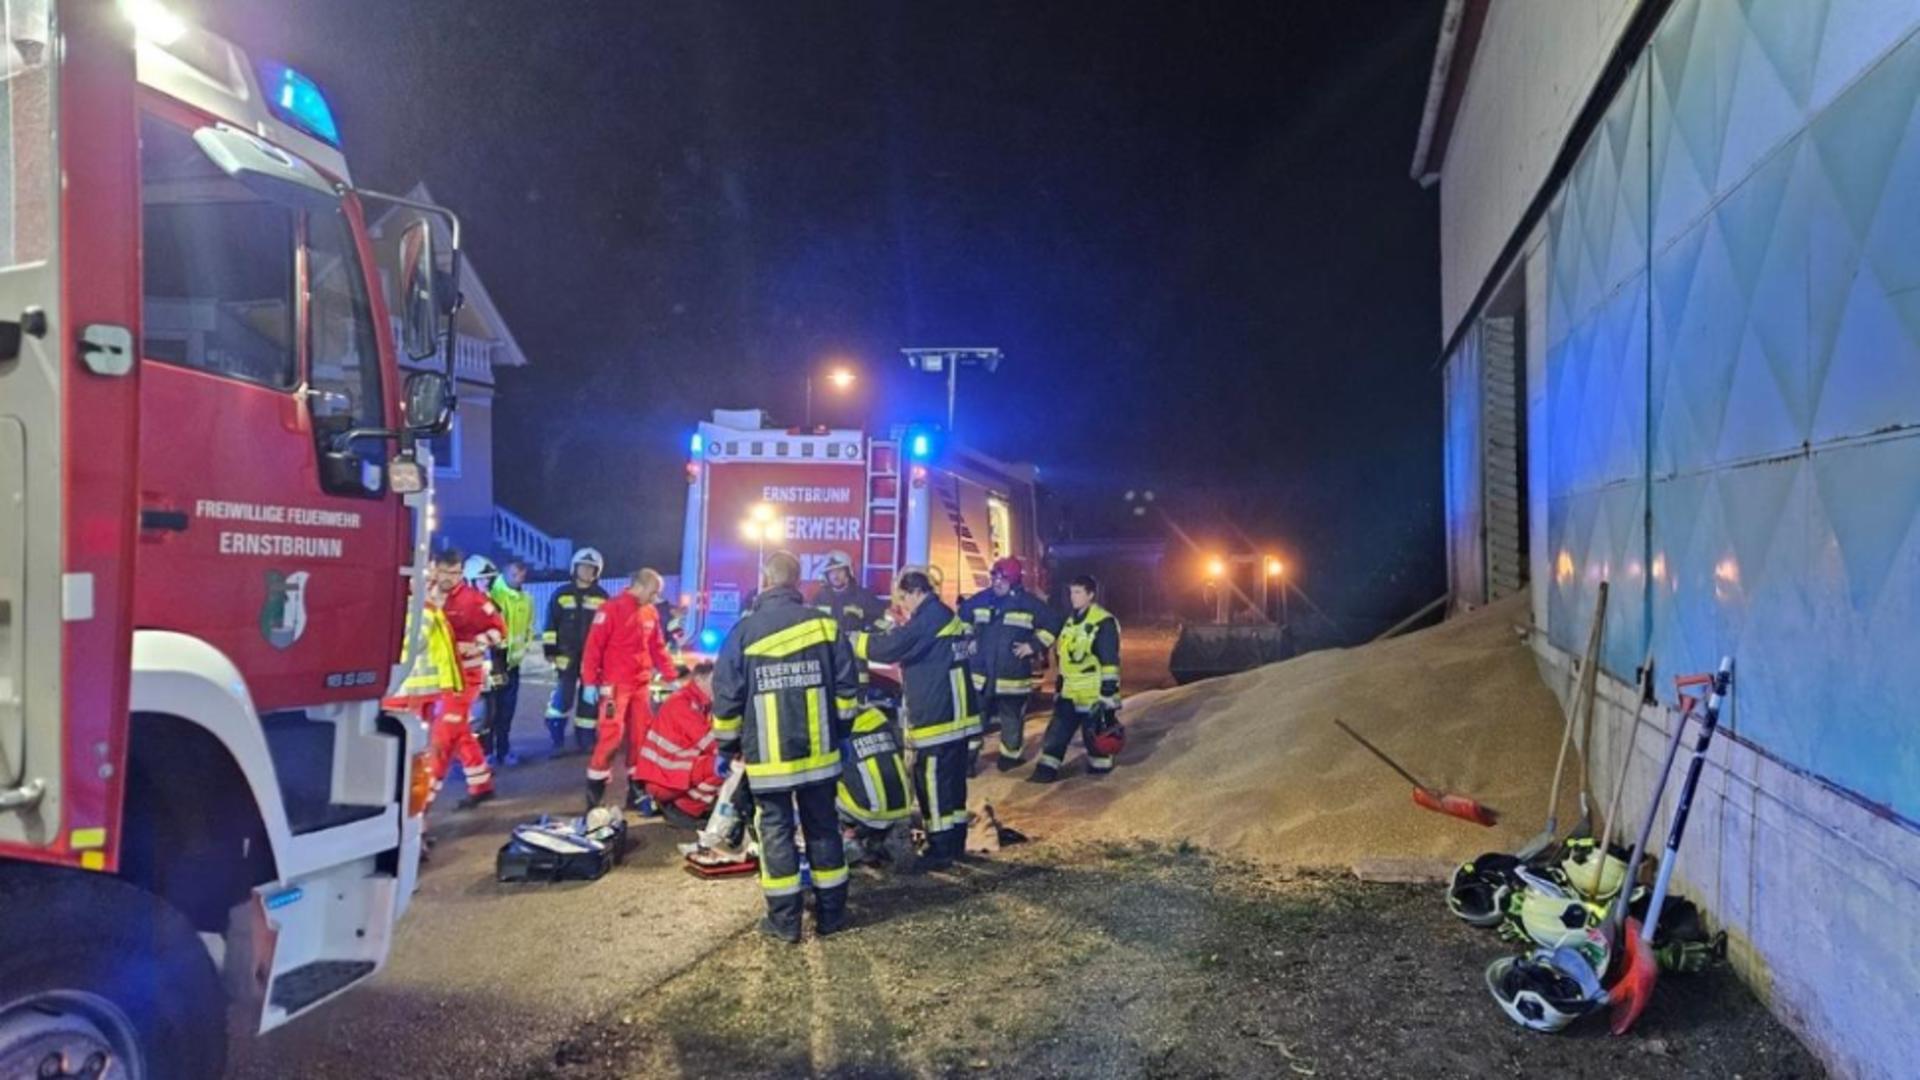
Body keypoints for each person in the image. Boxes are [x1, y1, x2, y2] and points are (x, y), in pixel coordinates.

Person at [711, 550, 859, 943]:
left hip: (768, 757)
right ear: (797, 582)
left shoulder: (744, 632)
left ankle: (785, 922)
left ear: (766, 579)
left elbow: (726, 694)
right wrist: (843, 733)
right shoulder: (825, 626)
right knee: (823, 827)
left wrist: (725, 747)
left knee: (775, 832)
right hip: (820, 753)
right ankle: (832, 916)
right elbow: (847, 687)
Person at [852, 570, 979, 871]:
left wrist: (856, 641)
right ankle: (954, 842)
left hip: (938, 717)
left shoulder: (929, 618)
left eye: (903, 599)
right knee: (953, 784)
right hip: (958, 716)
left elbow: (892, 647)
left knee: (932, 782)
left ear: (914, 592)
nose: (903, 605)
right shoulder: (944, 615)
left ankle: (940, 849)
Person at [579, 567, 677, 812]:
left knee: (641, 738)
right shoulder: (611, 609)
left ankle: (637, 791)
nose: (655, 598)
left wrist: (671, 676)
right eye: (653, 592)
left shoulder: (649, 612)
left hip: (640, 685)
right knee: (610, 738)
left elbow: (657, 647)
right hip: (614, 687)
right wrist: (590, 682)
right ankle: (595, 793)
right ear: (640, 586)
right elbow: (593, 648)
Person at [957, 557, 1062, 772]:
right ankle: (968, 761)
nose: (996, 582)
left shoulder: (1028, 603)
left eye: (1002, 579)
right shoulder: (981, 599)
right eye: (994, 577)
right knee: (975, 719)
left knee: (1011, 719)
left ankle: (1009, 758)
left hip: (1011, 676)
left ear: (1013, 581)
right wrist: (969, 639)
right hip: (982, 676)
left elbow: (1054, 623)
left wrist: (1033, 646)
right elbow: (962, 617)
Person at [382, 570, 463, 816]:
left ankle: (418, 821)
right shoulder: (416, 609)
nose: (431, 585)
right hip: (407, 697)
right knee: (410, 766)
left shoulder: (421, 607)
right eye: (425, 581)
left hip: (420, 696)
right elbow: (408, 646)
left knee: (418, 763)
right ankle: (412, 821)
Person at [1033, 574, 1122, 783]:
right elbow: (1064, 658)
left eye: (1078, 592)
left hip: (1094, 693)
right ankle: (1045, 772)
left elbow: (1110, 661)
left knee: (1096, 740)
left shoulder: (1103, 622)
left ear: (1091, 594)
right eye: (1071, 592)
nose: (1073, 597)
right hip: (1070, 691)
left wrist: (1107, 693)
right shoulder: (1069, 621)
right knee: (1057, 733)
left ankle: (1100, 778)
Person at [433, 548, 504, 808]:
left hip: (466, 675)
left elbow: (499, 631)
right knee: (460, 731)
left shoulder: (473, 601)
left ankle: (425, 797)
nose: (450, 578)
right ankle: (481, 782)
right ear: (435, 569)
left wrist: (477, 643)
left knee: (444, 734)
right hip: (439, 675)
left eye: (456, 573)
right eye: (445, 572)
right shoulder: (429, 595)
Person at [633, 661, 726, 829]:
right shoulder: (683, 703)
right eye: (715, 682)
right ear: (699, 680)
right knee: (724, 765)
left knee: (722, 762)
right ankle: (684, 810)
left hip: (666, 774)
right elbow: (708, 741)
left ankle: (685, 805)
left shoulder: (696, 702)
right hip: (664, 779)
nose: (719, 687)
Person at [543, 547, 609, 752]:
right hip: (566, 656)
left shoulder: (602, 597)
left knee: (589, 700)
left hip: (593, 658)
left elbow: (608, 629)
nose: (587, 571)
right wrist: (550, 650)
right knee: (563, 698)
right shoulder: (561, 594)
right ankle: (557, 737)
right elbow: (551, 624)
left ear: (597, 572)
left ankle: (585, 737)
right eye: (583, 567)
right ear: (575, 568)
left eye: (591, 568)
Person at [836, 700, 914, 866]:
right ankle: (886, 836)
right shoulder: (877, 716)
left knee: (819, 789)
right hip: (901, 804)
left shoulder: (832, 727)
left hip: (866, 810)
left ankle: (849, 841)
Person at [811, 550, 890, 691]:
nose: (835, 575)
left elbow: (884, 621)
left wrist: (864, 615)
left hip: (855, 655)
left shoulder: (862, 596)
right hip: (829, 654)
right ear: (826, 575)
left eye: (839, 570)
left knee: (859, 692)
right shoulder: (820, 598)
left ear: (848, 572)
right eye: (831, 572)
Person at [486, 557, 535, 765]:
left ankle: (503, 751)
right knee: (489, 713)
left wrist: (523, 649)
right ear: (504, 572)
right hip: (493, 664)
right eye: (514, 574)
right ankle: (487, 752)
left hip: (513, 664)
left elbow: (529, 628)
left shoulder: (526, 599)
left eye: (521, 575)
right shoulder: (493, 596)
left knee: (507, 712)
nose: (518, 579)